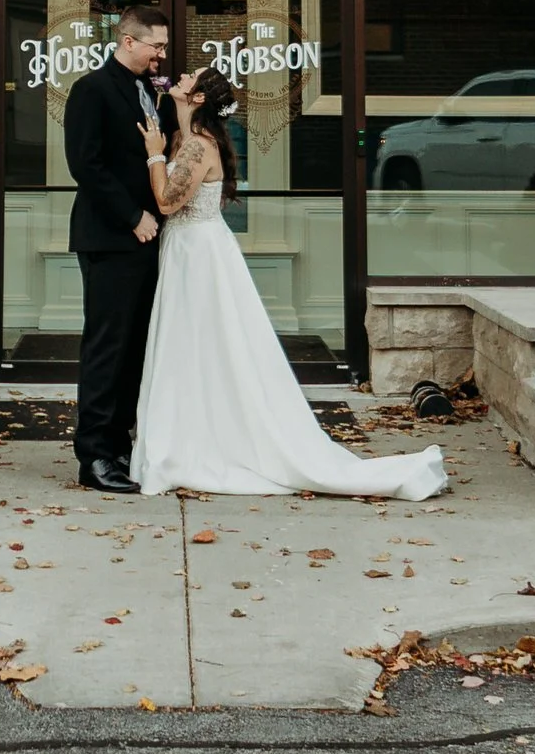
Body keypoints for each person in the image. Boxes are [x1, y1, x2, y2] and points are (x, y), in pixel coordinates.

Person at [133, 64, 448, 501]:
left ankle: (194, 445)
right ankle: (196, 433)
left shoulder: (195, 147)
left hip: (197, 256)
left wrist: (153, 153)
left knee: (200, 344)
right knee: (199, 349)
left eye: (190, 78)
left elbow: (167, 201)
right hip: (194, 249)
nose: (181, 78)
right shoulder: (192, 141)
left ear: (199, 98)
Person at [60, 4, 171, 493]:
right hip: (109, 239)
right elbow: (86, 165)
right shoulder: (91, 90)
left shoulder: (151, 93)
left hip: (150, 240)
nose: (161, 55)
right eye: (156, 46)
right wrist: (133, 217)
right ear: (129, 41)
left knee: (135, 348)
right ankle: (95, 456)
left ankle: (122, 445)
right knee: (107, 347)